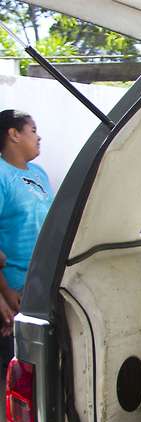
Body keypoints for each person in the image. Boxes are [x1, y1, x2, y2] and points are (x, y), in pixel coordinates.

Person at [0, 109, 53, 356]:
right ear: (14, 134)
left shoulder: (39, 173)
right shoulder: (1, 175)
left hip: (42, 285)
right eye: (33, 130)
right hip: (14, 293)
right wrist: (6, 293)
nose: (38, 137)